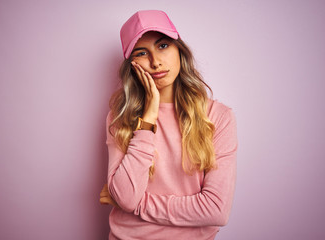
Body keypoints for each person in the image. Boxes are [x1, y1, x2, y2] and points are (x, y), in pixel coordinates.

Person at [99, 10, 238, 240]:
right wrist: (149, 117)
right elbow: (125, 196)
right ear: (132, 65)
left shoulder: (217, 116)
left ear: (179, 50)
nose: (156, 62)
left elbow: (216, 210)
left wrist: (138, 205)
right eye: (142, 53)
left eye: (163, 46)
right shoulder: (120, 117)